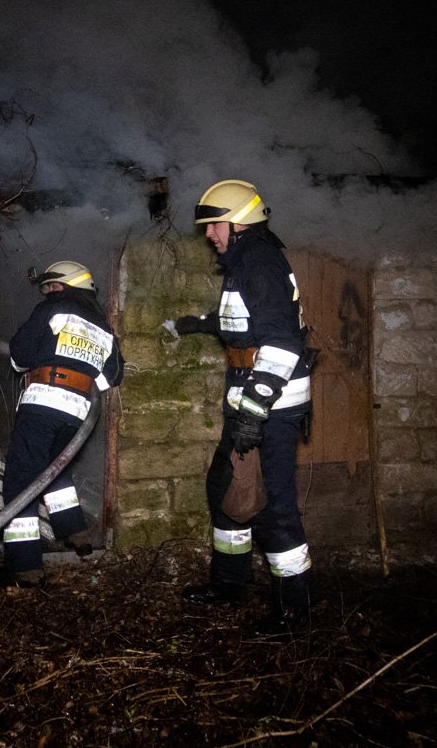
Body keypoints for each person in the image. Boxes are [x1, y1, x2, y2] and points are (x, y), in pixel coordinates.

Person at [172, 179, 316, 637]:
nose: (208, 235)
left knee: (274, 508)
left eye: (213, 225)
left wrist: (254, 411)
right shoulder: (243, 262)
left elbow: (281, 344)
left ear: (236, 223)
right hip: (249, 404)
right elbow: (244, 324)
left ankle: (297, 609)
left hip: (270, 408)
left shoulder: (259, 262)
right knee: (223, 487)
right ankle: (230, 582)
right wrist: (197, 325)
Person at [0, 260, 124, 588]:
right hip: (78, 414)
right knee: (55, 470)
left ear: (66, 286)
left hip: (42, 404)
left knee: (21, 480)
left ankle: (24, 567)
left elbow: (19, 356)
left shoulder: (53, 309)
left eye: (52, 286)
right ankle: (74, 530)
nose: (49, 292)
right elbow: (112, 376)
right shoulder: (103, 327)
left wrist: (45, 360)